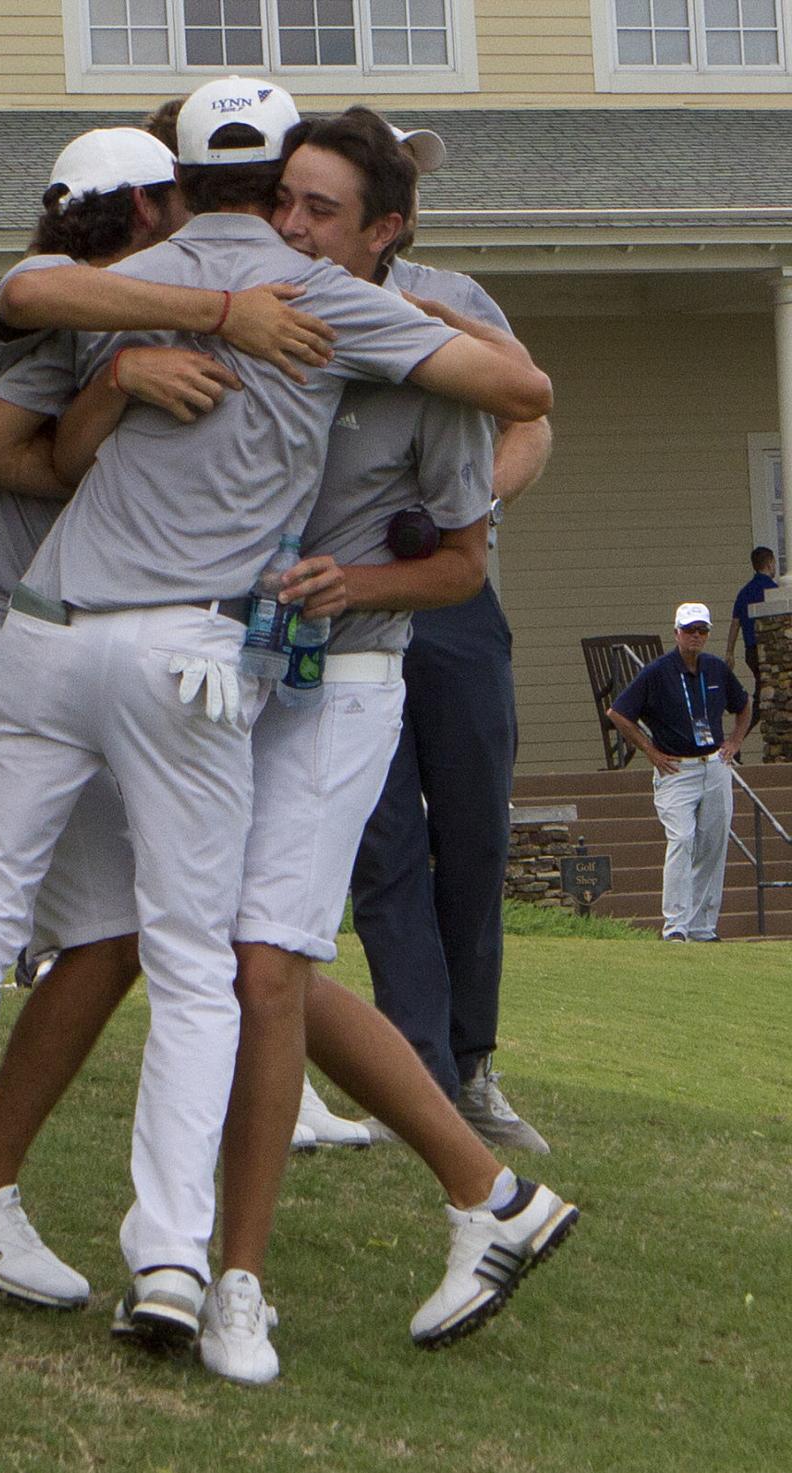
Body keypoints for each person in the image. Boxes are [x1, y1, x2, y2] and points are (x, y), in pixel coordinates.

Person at [0, 71, 550, 1361]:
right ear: (275, 171)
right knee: (196, 966)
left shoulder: (124, 274)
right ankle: (171, 1262)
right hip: (192, 655)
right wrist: (310, 315)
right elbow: (523, 388)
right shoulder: (324, 303)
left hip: (49, 636)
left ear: (175, 171)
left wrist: (192, 324)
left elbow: (19, 322)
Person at [347, 125, 555, 1155]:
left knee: (474, 829)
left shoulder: (455, 293)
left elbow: (531, 415)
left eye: (413, 185)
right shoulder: (302, 296)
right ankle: (416, 1075)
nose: (409, 201)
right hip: (350, 605)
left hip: (457, 599)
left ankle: (472, 1066)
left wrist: (470, 504)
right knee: (383, 844)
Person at [608, 602, 750, 942]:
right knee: (682, 839)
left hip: (713, 765)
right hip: (675, 768)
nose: (696, 636)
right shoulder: (657, 672)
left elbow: (743, 705)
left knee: (712, 845)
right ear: (676, 633)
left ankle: (703, 926)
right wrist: (650, 751)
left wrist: (734, 741)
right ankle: (675, 925)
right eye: (689, 630)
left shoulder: (715, 669)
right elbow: (618, 713)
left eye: (702, 631)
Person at [725, 546, 778, 742]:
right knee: (763, 697)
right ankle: (735, 743)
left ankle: (738, 742)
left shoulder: (745, 592)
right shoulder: (773, 592)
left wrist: (729, 651)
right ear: (770, 563)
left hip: (751, 652)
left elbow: (735, 623)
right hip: (770, 652)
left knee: (763, 693)